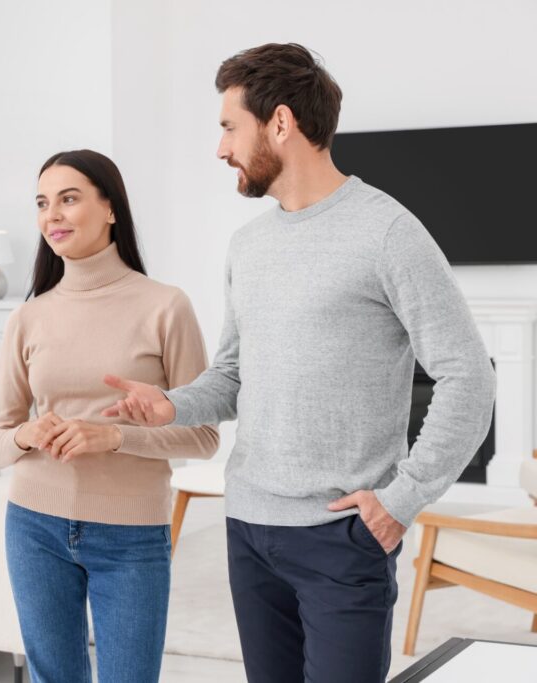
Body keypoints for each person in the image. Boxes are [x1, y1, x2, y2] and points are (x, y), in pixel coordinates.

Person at [103, 43, 496, 683]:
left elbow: (469, 376)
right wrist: (171, 404)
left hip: (341, 537)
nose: (221, 148)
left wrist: (403, 498)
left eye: (230, 127)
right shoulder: (249, 245)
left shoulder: (387, 232)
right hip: (248, 526)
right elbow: (233, 375)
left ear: (279, 123)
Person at [0, 149, 219, 683]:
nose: (53, 216)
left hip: (132, 532)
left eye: (69, 199)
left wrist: (114, 436)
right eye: (43, 203)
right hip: (33, 526)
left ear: (110, 208)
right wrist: (28, 433)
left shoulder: (166, 306)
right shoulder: (28, 316)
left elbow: (204, 435)